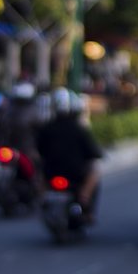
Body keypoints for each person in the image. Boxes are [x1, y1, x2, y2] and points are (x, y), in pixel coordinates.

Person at [34, 89, 103, 222]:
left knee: (40, 174)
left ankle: (42, 197)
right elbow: (92, 151)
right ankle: (84, 199)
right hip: (75, 172)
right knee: (94, 172)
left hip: (51, 171)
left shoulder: (46, 128)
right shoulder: (79, 129)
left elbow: (39, 150)